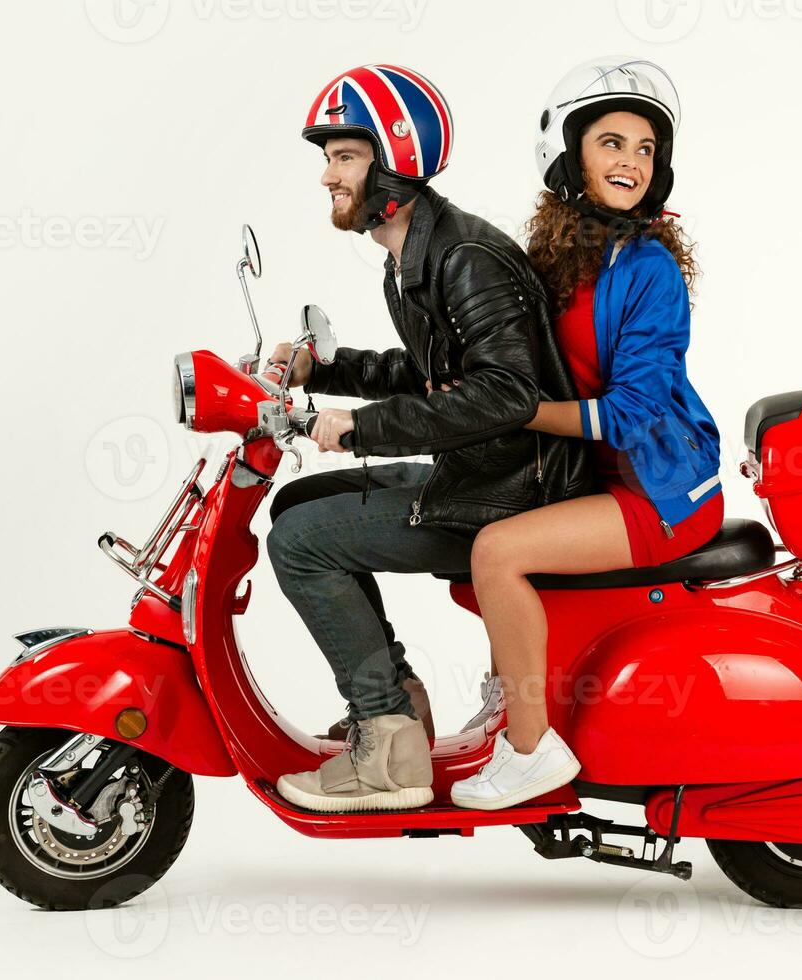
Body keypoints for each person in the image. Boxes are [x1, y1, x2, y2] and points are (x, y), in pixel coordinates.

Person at [268, 64, 590, 813]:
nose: (327, 176)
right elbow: (432, 375)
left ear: (395, 160)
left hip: (511, 498)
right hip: (483, 474)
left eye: (344, 156)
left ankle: (387, 747)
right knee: (298, 505)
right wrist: (327, 369)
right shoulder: (413, 254)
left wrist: (361, 429)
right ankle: (399, 701)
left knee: (301, 544)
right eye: (330, 158)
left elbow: (508, 393)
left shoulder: (463, 258)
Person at [450, 58, 724, 811]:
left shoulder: (649, 271)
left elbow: (633, 411)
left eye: (644, 149)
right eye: (612, 143)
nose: (632, 161)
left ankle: (531, 753)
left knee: (496, 553)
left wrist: (517, 412)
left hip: (658, 488)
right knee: (468, 517)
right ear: (569, 156)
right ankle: (518, 696)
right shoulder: (557, 257)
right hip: (594, 475)